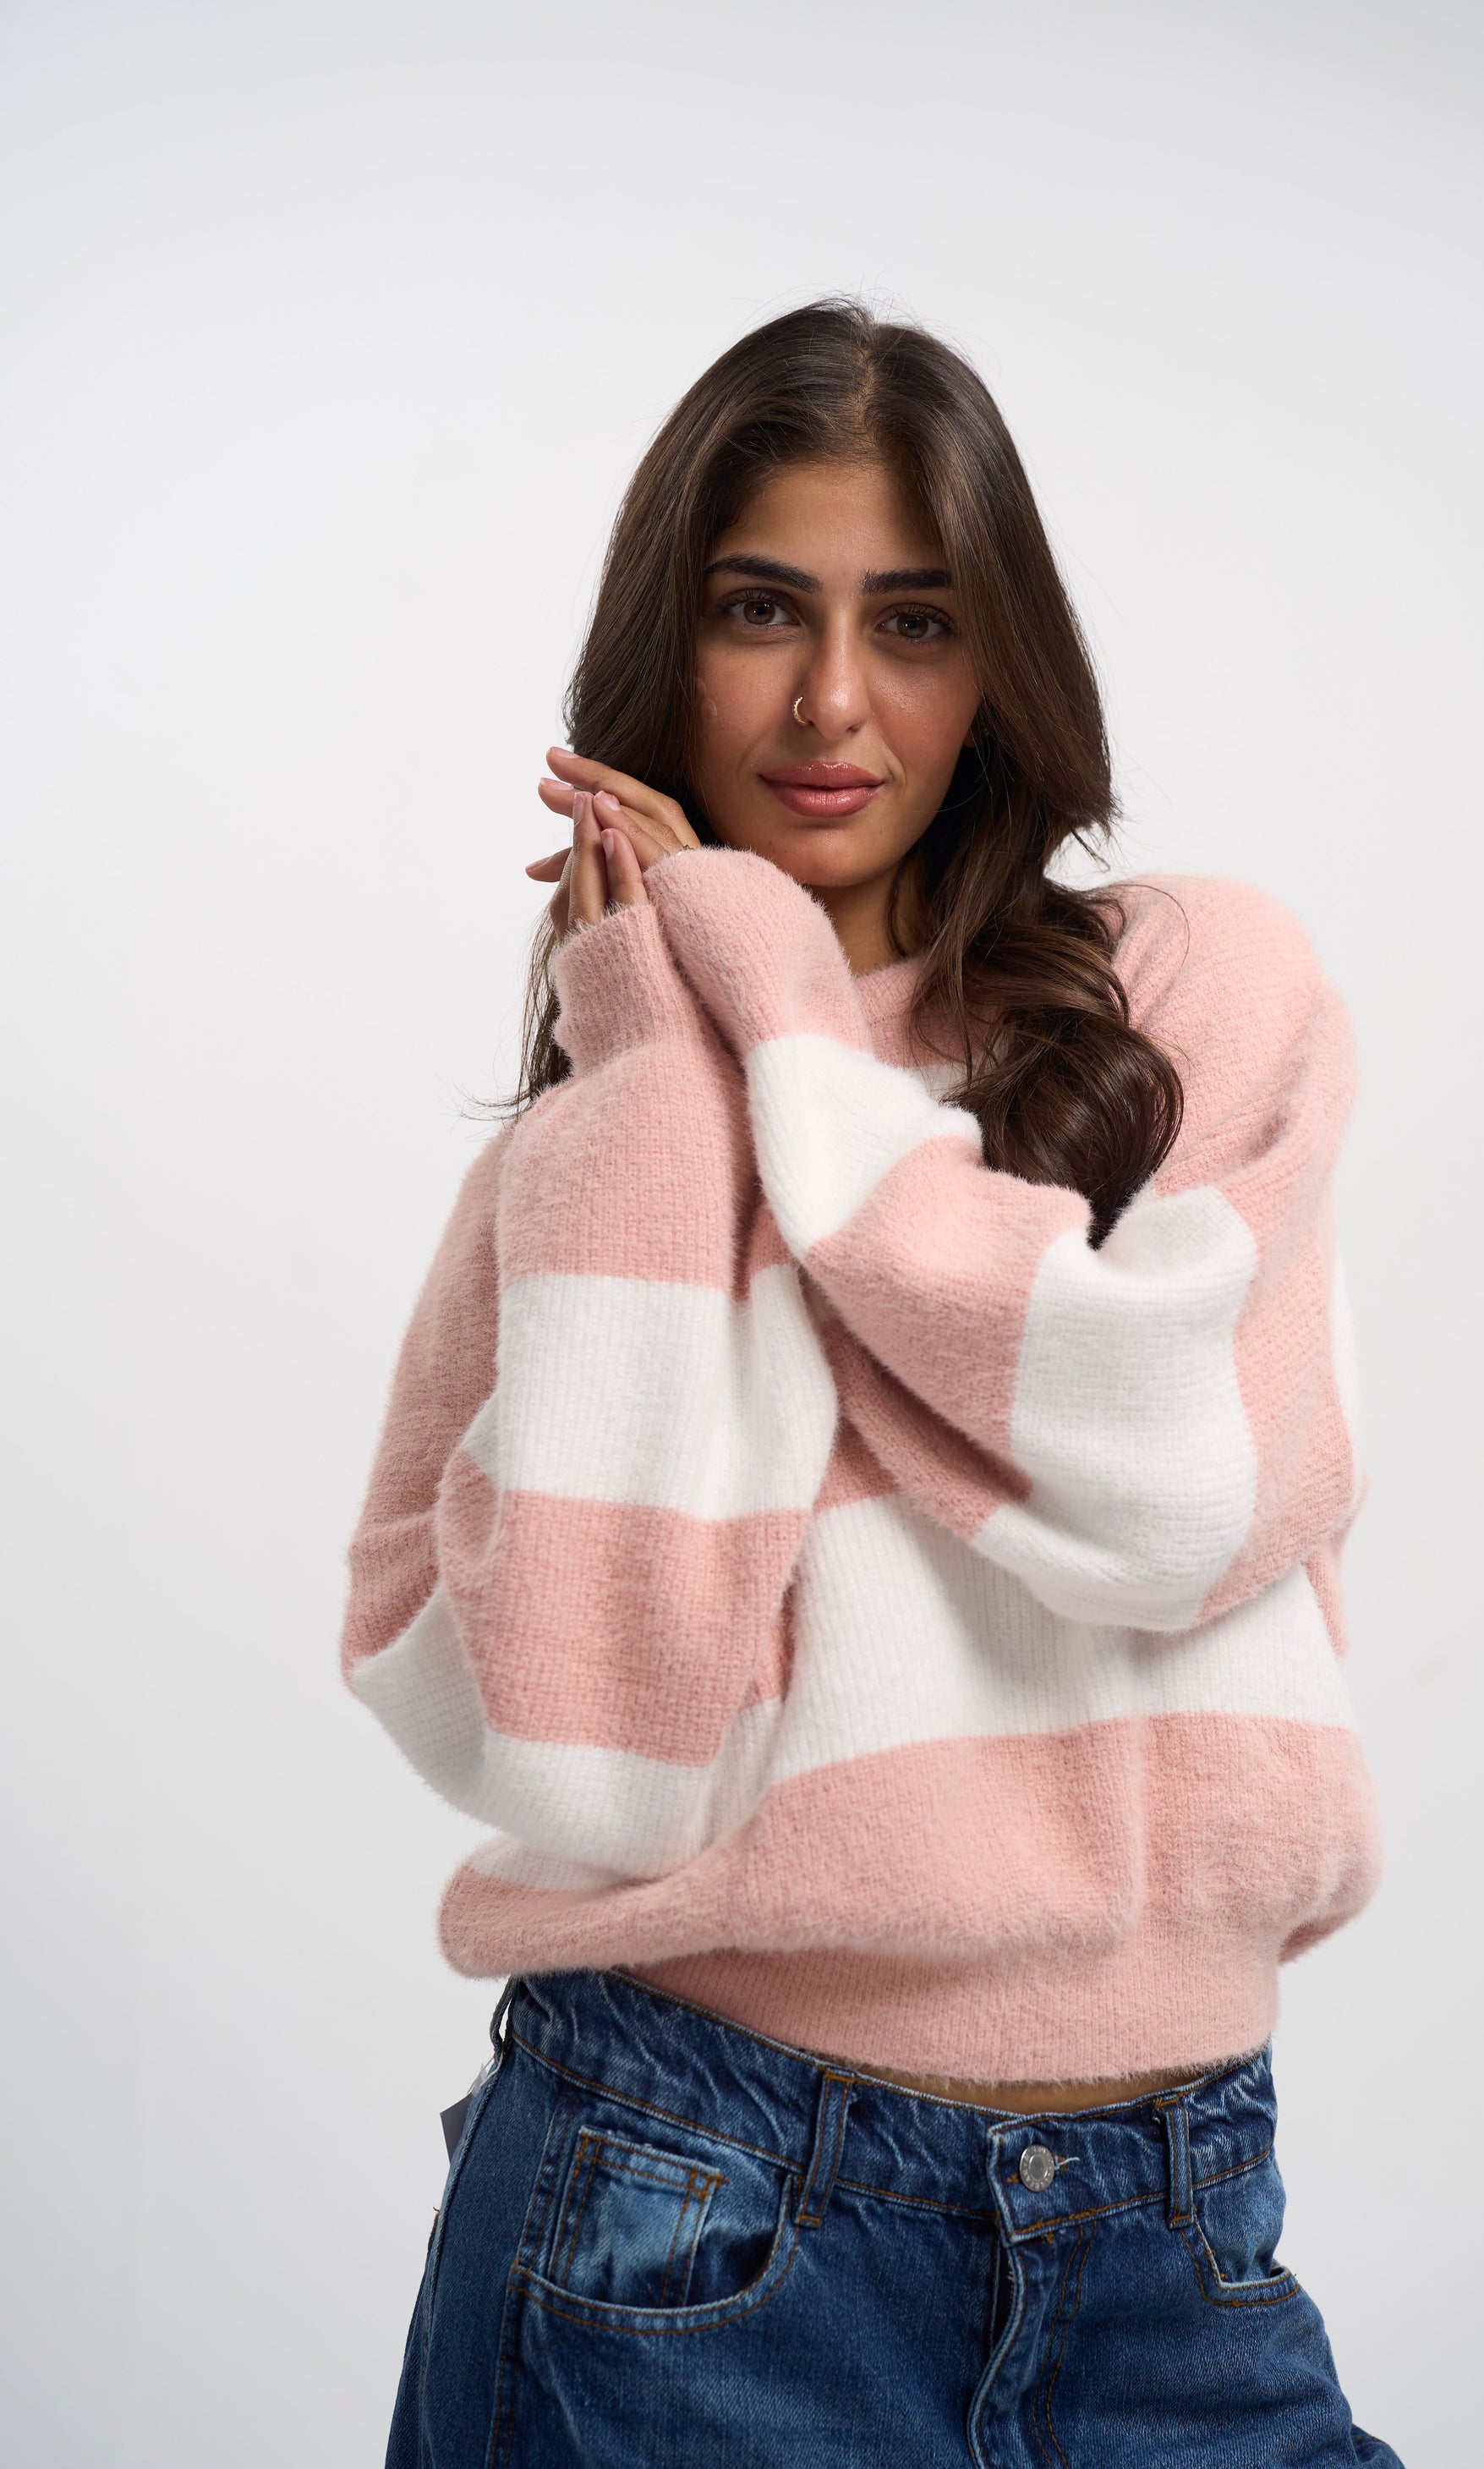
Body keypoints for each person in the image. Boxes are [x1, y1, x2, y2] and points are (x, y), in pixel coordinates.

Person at [344, 299, 1399, 2467]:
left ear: (999, 662)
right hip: (687, 2204)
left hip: (1176, 2232)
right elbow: (592, 1767)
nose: (833, 701)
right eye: (762, 612)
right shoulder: (600, 1145)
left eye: (911, 620)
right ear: (669, 653)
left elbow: (1176, 1486)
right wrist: (663, 1067)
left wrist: (774, 1019)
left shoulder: (1189, 998)